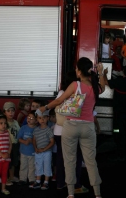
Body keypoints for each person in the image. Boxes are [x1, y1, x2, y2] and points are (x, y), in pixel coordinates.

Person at [39, 57, 105, 198]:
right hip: (88, 127)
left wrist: (44, 108)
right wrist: (101, 73)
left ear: (80, 71)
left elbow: (58, 101)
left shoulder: (76, 85)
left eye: (76, 68)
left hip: (71, 127)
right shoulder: (95, 87)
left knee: (69, 160)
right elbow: (104, 87)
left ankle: (70, 193)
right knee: (90, 161)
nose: (75, 71)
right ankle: (97, 193)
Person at [54, 70, 89, 194]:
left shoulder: (61, 93)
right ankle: (76, 185)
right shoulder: (78, 93)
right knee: (76, 159)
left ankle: (60, 183)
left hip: (59, 131)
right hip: (73, 131)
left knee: (60, 158)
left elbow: (56, 106)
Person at [103, 64, 126, 161]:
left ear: (123, 72)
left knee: (117, 130)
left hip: (118, 111)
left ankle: (120, 152)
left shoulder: (119, 81)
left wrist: (104, 73)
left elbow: (106, 82)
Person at [30, 109, 54, 190]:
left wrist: (44, 149)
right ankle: (38, 181)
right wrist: (35, 148)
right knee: (38, 166)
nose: (42, 120)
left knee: (47, 166)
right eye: (40, 118)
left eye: (44, 118)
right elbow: (34, 140)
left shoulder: (49, 129)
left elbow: (52, 142)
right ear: (37, 119)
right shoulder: (36, 130)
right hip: (38, 152)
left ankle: (46, 182)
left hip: (47, 152)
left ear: (47, 118)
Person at [17, 110, 37, 187]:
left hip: (32, 152)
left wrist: (32, 141)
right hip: (23, 151)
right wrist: (24, 141)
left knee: (32, 166)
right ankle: (22, 179)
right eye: (28, 117)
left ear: (36, 121)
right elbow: (19, 138)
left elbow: (39, 141)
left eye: (32, 118)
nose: (29, 119)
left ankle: (32, 179)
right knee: (23, 165)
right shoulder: (23, 128)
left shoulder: (37, 129)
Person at [3, 102, 20, 185]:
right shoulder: (4, 123)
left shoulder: (16, 122)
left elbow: (19, 132)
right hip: (7, 145)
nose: (10, 113)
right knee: (7, 162)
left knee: (13, 162)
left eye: (12, 111)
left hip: (15, 144)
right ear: (4, 112)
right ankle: (5, 179)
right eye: (8, 111)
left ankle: (11, 176)